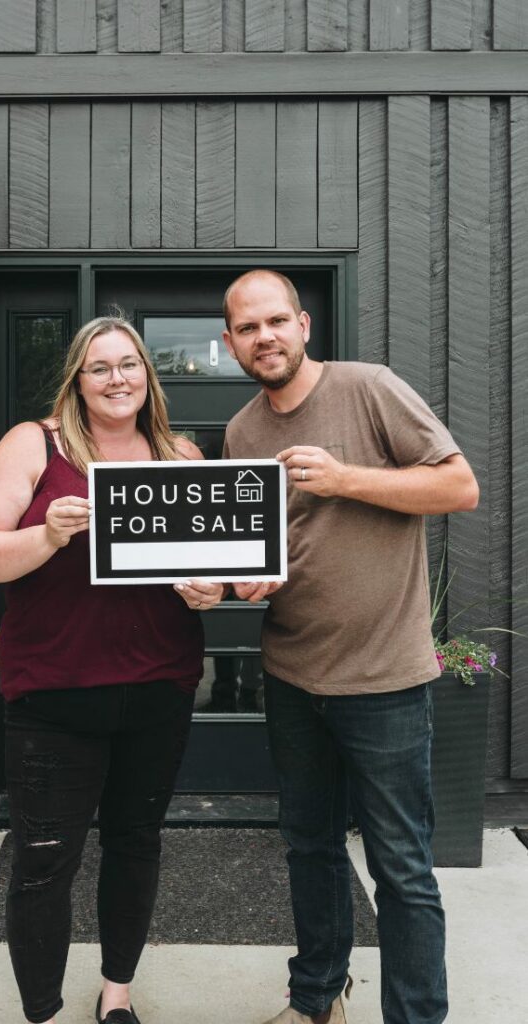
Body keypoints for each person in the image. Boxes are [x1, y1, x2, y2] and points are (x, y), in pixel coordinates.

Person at [220, 270, 479, 1024]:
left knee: (401, 870)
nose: (263, 337)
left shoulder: (369, 389)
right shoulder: (240, 432)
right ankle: (315, 1002)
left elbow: (456, 486)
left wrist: (342, 479)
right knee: (309, 849)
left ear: (303, 325)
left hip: (384, 680)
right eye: (246, 328)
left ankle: (415, 1016)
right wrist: (245, 585)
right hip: (293, 675)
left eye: (275, 321)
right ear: (229, 341)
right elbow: (262, 554)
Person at [0, 316, 223, 1024]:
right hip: (55, 693)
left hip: (158, 685)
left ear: (147, 375)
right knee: (45, 859)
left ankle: (116, 995)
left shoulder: (180, 457)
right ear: (78, 378)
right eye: (99, 367)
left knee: (134, 845)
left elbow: (213, 571)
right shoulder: (34, 445)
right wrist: (45, 535)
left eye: (128, 364)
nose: (117, 379)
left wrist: (212, 589)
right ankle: (42, 1011)